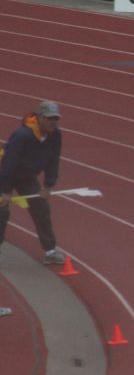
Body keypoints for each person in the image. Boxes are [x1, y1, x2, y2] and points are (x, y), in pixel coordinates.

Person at [0, 101, 65, 266]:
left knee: (40, 207)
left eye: (56, 119)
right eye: (50, 119)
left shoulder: (55, 135)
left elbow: (53, 160)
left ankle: (50, 251)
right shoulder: (23, 135)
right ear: (40, 117)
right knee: (2, 212)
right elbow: (9, 163)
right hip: (5, 172)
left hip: (26, 176)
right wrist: (6, 190)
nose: (53, 122)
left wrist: (48, 186)